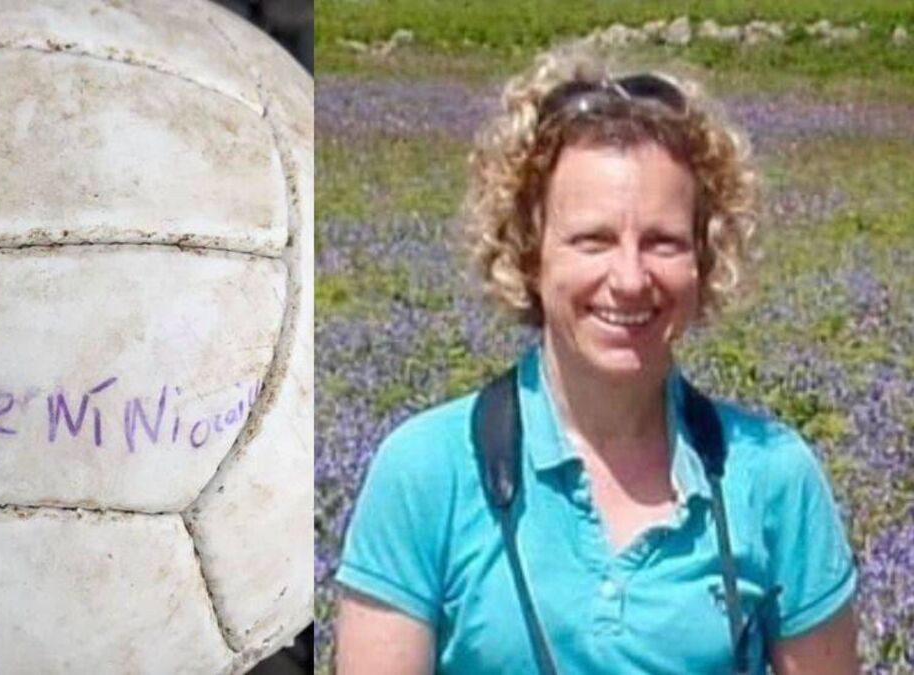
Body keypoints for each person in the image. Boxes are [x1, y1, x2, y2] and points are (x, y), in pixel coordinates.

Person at [333, 49, 859, 674]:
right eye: (593, 240)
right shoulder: (427, 472)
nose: (630, 279)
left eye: (662, 242)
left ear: (704, 260)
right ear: (530, 253)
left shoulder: (774, 477)